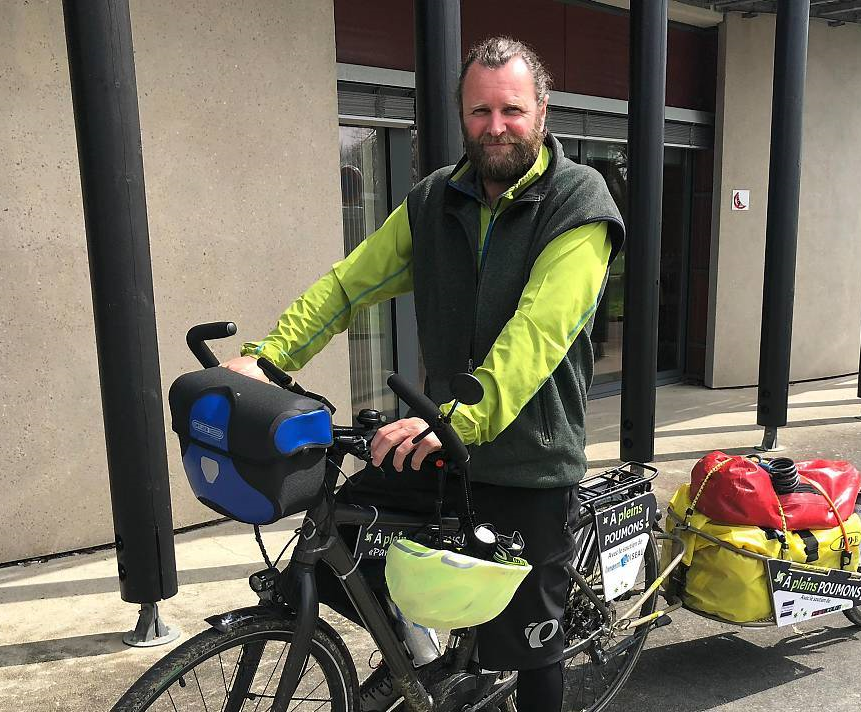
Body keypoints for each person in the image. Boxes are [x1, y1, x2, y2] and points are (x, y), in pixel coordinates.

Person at [222, 36, 624, 712]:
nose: (495, 127)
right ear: (461, 114)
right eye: (479, 111)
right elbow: (350, 284)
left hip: (528, 461)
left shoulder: (578, 201)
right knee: (341, 540)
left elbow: (539, 332)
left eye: (512, 110)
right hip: (443, 447)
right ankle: (421, 660)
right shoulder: (435, 200)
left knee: (531, 646)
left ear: (543, 111)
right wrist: (270, 357)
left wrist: (458, 419)